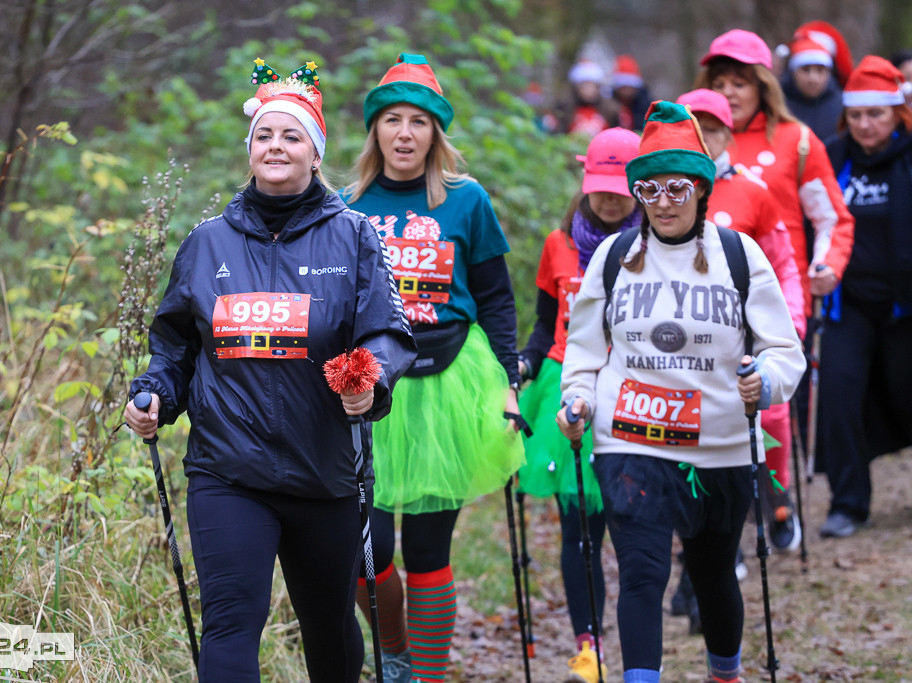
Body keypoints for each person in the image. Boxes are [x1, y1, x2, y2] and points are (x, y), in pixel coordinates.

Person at [123, 60, 417, 683]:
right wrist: (154, 393)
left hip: (325, 472)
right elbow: (176, 345)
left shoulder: (355, 237)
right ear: (250, 150)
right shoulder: (206, 243)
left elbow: (387, 334)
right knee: (231, 623)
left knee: (330, 627)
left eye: (292, 136)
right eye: (264, 135)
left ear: (316, 154)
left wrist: (372, 381)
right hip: (228, 471)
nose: (276, 146)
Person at [556, 100, 806, 683]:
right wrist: (579, 399)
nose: (663, 202)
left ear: (701, 189)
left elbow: (784, 352)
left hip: (717, 447)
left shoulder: (739, 257)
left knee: (712, 573)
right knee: (641, 573)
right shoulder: (616, 260)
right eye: (649, 190)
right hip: (631, 440)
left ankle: (726, 673)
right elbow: (586, 350)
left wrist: (764, 381)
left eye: (675, 188)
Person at [341, 53, 526, 683]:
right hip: (370, 392)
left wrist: (510, 382)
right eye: (391, 120)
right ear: (375, 131)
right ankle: (392, 651)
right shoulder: (346, 205)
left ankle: (426, 675)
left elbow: (497, 298)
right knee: (370, 553)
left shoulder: (466, 201)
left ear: (434, 134)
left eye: (418, 122)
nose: (403, 133)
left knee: (427, 550)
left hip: (448, 384)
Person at [695, 28, 854, 539]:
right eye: (720, 81)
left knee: (773, 405)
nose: (730, 92)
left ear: (763, 84)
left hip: (778, 297)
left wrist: (827, 267)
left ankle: (777, 499)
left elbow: (831, 217)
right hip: (701, 303)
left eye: (740, 81)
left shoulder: (796, 140)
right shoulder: (693, 140)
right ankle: (720, 515)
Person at [517, 127, 642, 680]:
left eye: (621, 186)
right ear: (584, 182)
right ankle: (587, 642)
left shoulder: (657, 244)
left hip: (638, 387)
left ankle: (645, 631)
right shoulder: (557, 244)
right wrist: (521, 362)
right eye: (601, 185)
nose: (611, 197)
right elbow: (548, 323)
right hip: (568, 385)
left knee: (634, 520)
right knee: (580, 528)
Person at [679, 87, 807, 554]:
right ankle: (718, 532)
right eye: (694, 130)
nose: (703, 139)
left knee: (768, 412)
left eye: (711, 130)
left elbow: (784, 264)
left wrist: (791, 320)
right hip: (690, 339)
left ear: (725, 133)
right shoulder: (664, 197)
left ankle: (776, 499)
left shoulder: (754, 189)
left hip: (749, 334)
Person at [819, 56, 912, 538]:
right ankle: (848, 502)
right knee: (839, 394)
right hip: (848, 303)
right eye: (855, 115)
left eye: (875, 114)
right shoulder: (834, 158)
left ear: (898, 113)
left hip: (906, 306)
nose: (864, 124)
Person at [782, 37, 844, 143]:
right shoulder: (778, 103)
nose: (813, 79)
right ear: (793, 72)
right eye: (806, 69)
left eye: (820, 70)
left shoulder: (843, 106)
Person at [562, 60, 616, 137]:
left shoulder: (610, 110)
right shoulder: (565, 110)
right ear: (576, 87)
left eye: (592, 85)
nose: (589, 90)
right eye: (584, 85)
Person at [612, 55, 652, 132]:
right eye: (623, 86)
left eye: (630, 86)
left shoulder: (646, 104)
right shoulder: (609, 103)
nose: (626, 90)